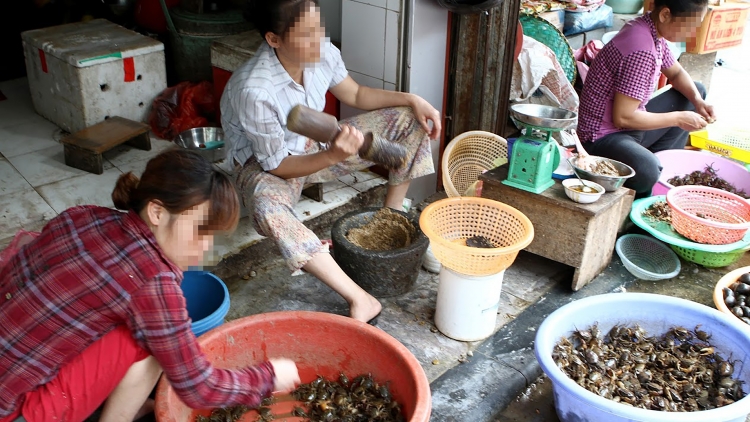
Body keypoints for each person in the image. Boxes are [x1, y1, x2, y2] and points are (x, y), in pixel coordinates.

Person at [0, 149, 300, 422]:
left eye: (213, 235)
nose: (206, 248)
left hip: (12, 367)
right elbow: (198, 388)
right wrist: (268, 376)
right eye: (200, 231)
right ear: (157, 212)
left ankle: (123, 399)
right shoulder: (153, 283)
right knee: (159, 345)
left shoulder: (83, 215)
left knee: (147, 328)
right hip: (15, 410)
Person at [220, 0, 442, 323]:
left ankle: (390, 221)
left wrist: (412, 99)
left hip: (316, 146)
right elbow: (277, 166)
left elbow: (356, 94)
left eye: (318, 27)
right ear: (274, 39)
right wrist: (333, 155)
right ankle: (360, 298)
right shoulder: (255, 89)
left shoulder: (322, 50)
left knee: (410, 119)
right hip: (265, 166)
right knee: (269, 210)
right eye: (306, 34)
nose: (319, 39)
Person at [577, 0, 716, 197]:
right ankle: (642, 194)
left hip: (629, 127)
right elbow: (623, 118)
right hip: (601, 138)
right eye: (690, 26)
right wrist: (678, 118)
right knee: (646, 170)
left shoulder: (650, 31)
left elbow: (676, 74)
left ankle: (656, 164)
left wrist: (698, 101)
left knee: (696, 92)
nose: (692, 33)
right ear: (665, 15)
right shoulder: (641, 48)